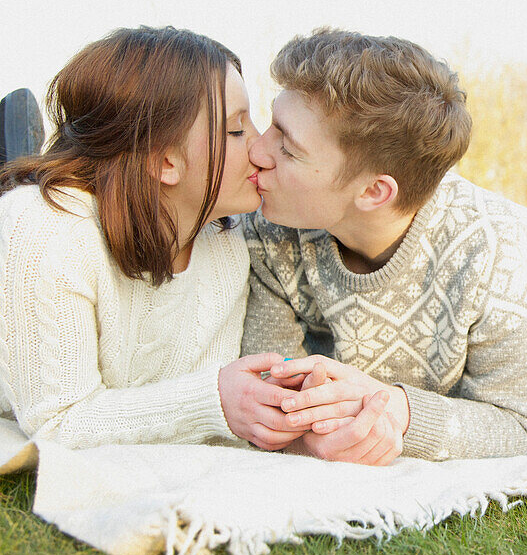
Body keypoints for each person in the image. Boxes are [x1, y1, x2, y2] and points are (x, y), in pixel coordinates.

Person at [237, 29, 527, 466]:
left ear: (373, 192)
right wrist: (304, 433)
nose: (256, 149)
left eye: (287, 148)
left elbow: (519, 423)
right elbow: (268, 389)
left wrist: (398, 413)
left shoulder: (499, 246)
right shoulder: (267, 226)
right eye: (272, 124)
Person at [0, 26, 306, 451]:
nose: (260, 148)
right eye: (237, 131)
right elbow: (57, 422)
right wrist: (213, 399)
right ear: (165, 161)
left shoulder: (224, 239)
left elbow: (194, 421)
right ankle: (16, 153)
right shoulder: (46, 231)